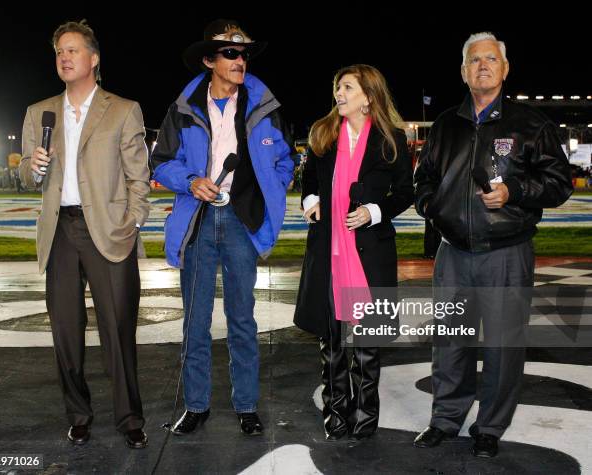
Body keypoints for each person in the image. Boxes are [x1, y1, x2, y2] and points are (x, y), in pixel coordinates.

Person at [412, 32, 573, 457]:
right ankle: (445, 419)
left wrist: (514, 191)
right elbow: (423, 177)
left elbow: (559, 183)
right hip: (453, 252)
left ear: (505, 68)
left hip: (506, 251)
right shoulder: (446, 123)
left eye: (491, 59)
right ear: (463, 72)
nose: (482, 65)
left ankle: (490, 426)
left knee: (502, 344)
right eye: (474, 60)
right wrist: (433, 205)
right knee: (449, 340)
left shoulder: (531, 124)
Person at [151, 19, 293, 436]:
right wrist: (190, 181)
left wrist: (274, 184)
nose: (239, 60)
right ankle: (196, 407)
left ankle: (246, 406)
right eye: (230, 53)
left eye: (243, 53)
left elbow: (287, 159)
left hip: (240, 221)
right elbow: (160, 162)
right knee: (195, 321)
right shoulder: (182, 107)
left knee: (243, 319)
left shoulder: (266, 105)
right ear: (209, 60)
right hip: (197, 219)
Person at [18, 20, 150, 449]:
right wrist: (30, 167)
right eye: (59, 51)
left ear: (94, 59)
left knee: (117, 329)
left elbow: (138, 176)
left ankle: (130, 418)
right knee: (65, 332)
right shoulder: (40, 113)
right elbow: (26, 177)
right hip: (59, 231)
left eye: (73, 50)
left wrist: (132, 220)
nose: (65, 57)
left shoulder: (123, 109)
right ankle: (78, 415)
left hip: (108, 231)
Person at [294, 64, 413, 440]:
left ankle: (365, 413)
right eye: (337, 87)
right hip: (329, 250)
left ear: (368, 96)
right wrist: (311, 200)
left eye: (346, 87)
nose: (338, 94)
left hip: (370, 251)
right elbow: (309, 180)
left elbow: (405, 193)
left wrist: (374, 212)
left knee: (365, 341)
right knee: (331, 340)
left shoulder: (391, 138)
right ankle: (335, 410)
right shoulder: (323, 134)